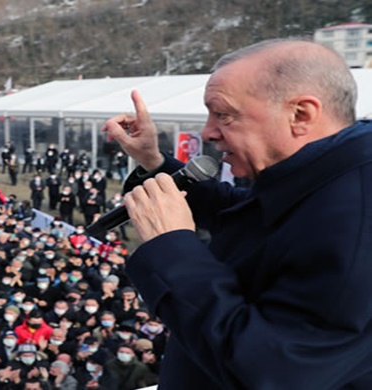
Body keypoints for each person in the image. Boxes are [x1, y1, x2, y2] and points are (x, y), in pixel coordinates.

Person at [104, 37, 372, 387]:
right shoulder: (323, 175)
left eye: (224, 115)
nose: (208, 132)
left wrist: (173, 249)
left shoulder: (356, 227)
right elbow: (248, 216)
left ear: (300, 114)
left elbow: (274, 373)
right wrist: (153, 161)